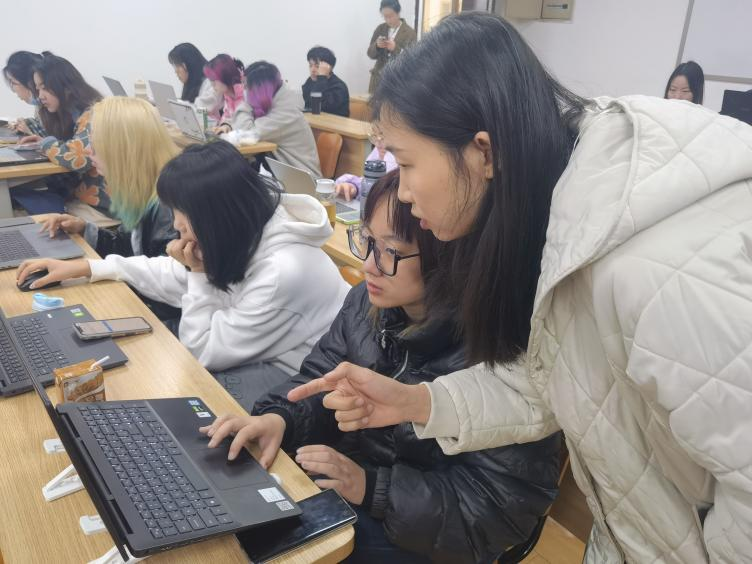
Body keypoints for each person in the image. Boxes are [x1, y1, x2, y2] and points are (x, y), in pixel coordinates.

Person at [288, 13, 752, 563]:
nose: (403, 192)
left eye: (406, 164)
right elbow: (547, 381)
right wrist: (419, 401)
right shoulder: (557, 224)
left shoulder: (653, 265)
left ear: (483, 152)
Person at [200, 170, 561, 563]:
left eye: (391, 250)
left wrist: (374, 488)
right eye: (369, 241)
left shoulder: (501, 353)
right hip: (360, 489)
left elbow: (494, 508)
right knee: (232, 515)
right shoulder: (368, 303)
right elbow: (320, 378)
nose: (370, 266)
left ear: (449, 256)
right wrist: (280, 419)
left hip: (429, 536)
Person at [18, 142, 349, 405]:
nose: (176, 223)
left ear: (216, 212)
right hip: (258, 353)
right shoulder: (246, 229)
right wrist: (90, 267)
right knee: (151, 374)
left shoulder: (282, 271)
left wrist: (198, 274)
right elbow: (172, 273)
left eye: (182, 212)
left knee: (178, 395)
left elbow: (201, 353)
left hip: (305, 380)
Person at [37, 97, 181, 323]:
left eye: (96, 147)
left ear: (122, 150)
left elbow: (172, 282)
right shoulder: (145, 191)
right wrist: (84, 229)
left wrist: (88, 268)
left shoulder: (171, 205)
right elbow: (131, 249)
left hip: (169, 323)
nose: (89, 153)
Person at [17, 52, 110, 219]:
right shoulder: (75, 112)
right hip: (88, 199)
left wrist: (46, 143)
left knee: (21, 212)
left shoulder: (94, 113)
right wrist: (45, 142)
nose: (40, 96)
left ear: (65, 85)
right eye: (38, 89)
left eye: (44, 87)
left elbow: (77, 158)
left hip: (103, 207)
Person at [225, 61, 321, 177]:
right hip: (282, 176)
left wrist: (246, 103)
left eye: (247, 86)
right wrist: (226, 124)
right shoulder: (273, 103)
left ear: (259, 90)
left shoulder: (286, 112)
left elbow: (244, 135)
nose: (244, 89)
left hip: (302, 182)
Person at [334, 123, 397, 201]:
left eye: (383, 137)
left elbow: (381, 192)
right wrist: (354, 188)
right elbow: (369, 185)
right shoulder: (378, 152)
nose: (377, 144)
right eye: (375, 136)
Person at [367, 0, 416, 94]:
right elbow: (370, 54)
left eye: (391, 15)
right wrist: (377, 46)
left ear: (398, 12)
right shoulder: (381, 28)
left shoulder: (410, 33)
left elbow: (411, 60)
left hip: (398, 81)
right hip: (378, 80)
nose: (388, 20)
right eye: (385, 16)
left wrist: (395, 48)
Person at [168, 42, 222, 116]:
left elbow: (203, 110)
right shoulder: (191, 83)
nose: (176, 71)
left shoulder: (212, 83)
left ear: (188, 64)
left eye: (177, 66)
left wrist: (176, 104)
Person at [204, 54, 248, 134]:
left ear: (225, 77)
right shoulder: (227, 93)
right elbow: (227, 115)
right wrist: (223, 126)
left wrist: (228, 127)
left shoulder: (246, 92)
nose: (212, 85)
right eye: (211, 81)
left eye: (214, 81)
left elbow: (246, 123)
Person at [2, 51, 45, 134]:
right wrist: (27, 123)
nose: (13, 90)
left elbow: (56, 139)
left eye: (13, 83)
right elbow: (42, 126)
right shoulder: (40, 106)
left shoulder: (51, 105)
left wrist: (29, 132)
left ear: (30, 82)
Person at [302, 46, 350, 117]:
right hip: (314, 121)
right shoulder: (310, 81)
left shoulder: (339, 87)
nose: (312, 70)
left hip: (333, 123)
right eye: (310, 65)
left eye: (317, 66)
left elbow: (317, 107)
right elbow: (308, 106)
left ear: (329, 68)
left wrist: (321, 77)